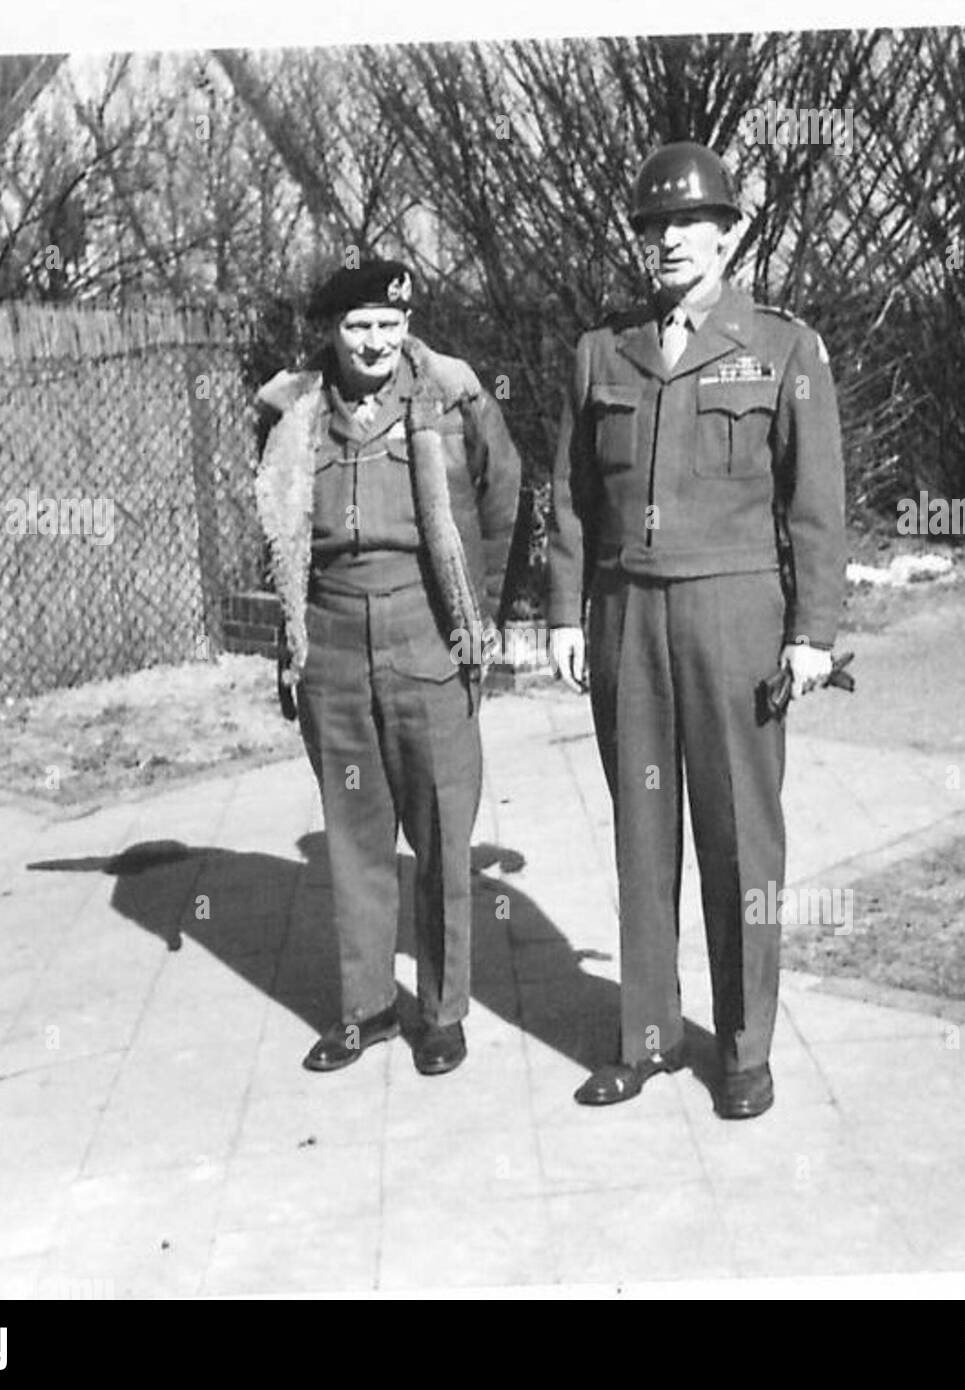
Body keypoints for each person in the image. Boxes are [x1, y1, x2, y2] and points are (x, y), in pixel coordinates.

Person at [547, 143, 847, 1118]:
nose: (670, 240)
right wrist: (562, 610)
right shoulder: (604, 350)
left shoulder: (782, 346)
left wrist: (814, 632)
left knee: (741, 840)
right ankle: (647, 1035)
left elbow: (816, 504)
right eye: (653, 226)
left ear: (730, 234)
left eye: (689, 224)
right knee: (641, 836)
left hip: (735, 614)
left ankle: (747, 1048)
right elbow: (570, 494)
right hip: (628, 614)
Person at [255, 258, 522, 1076]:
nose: (376, 342)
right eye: (358, 326)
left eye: (390, 324)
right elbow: (276, 520)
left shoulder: (447, 400)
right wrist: (293, 644)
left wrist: (484, 609)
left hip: (424, 630)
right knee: (355, 834)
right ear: (330, 333)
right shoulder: (294, 415)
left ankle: (441, 1014)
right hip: (332, 637)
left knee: (442, 831)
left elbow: (503, 487)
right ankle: (365, 1008)